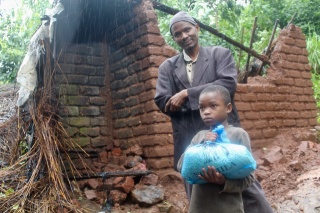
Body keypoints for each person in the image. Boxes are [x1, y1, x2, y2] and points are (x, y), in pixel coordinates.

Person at [154, 11, 273, 213]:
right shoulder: (167, 67)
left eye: (187, 29)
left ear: (197, 28)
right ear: (174, 38)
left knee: (247, 188)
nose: (183, 36)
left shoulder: (219, 54)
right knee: (198, 191)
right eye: (177, 34)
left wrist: (186, 94)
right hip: (191, 137)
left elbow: (227, 84)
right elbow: (163, 100)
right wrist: (201, 102)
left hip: (224, 134)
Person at [177, 85, 272, 213]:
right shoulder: (199, 137)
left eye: (213, 106)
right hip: (200, 208)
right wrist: (203, 146)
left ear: (228, 108)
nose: (206, 111)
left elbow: (249, 178)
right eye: (202, 108)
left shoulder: (238, 135)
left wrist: (223, 182)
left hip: (230, 208)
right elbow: (181, 165)